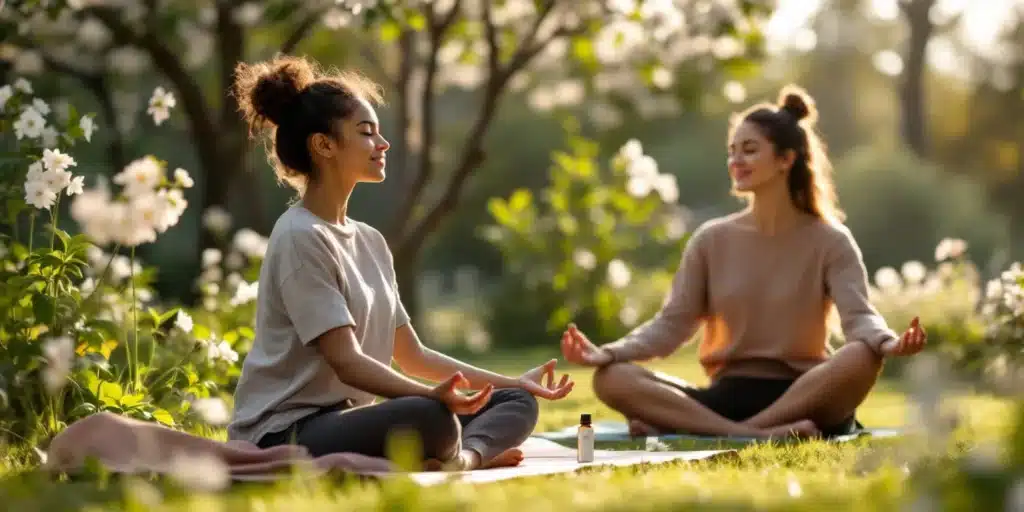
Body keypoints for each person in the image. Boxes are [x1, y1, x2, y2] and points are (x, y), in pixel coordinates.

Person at [226, 55, 574, 471]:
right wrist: (430, 397)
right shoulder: (301, 237)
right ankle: (453, 448)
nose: (383, 143)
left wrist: (514, 382)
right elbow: (348, 363)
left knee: (516, 403)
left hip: (349, 421)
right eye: (366, 132)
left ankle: (463, 459)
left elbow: (413, 355)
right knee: (430, 417)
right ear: (324, 145)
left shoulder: (370, 241)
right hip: (288, 431)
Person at [560, 85, 928, 439]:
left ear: (786, 159)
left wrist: (887, 343)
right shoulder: (711, 239)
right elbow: (671, 325)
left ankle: (714, 427)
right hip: (727, 397)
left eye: (750, 150)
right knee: (611, 377)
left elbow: (859, 316)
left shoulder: (830, 240)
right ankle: (751, 434)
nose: (736, 160)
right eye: (732, 151)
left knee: (860, 357)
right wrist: (606, 352)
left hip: (806, 395)